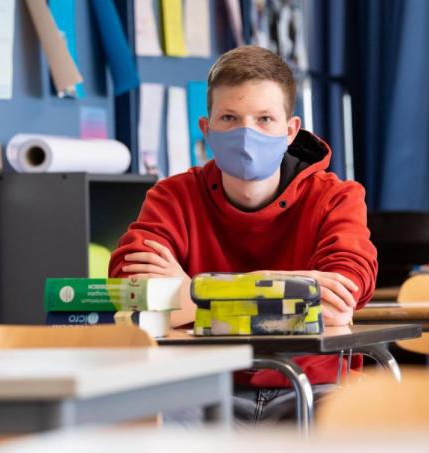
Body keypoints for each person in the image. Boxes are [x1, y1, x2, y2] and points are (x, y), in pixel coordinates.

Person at [108, 46, 378, 423]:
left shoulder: (337, 198)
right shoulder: (174, 196)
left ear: (290, 131)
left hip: (312, 390)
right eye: (230, 118)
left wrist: (189, 292)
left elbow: (336, 303)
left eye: (264, 119)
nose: (246, 133)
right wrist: (286, 291)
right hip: (197, 386)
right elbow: (133, 291)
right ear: (207, 129)